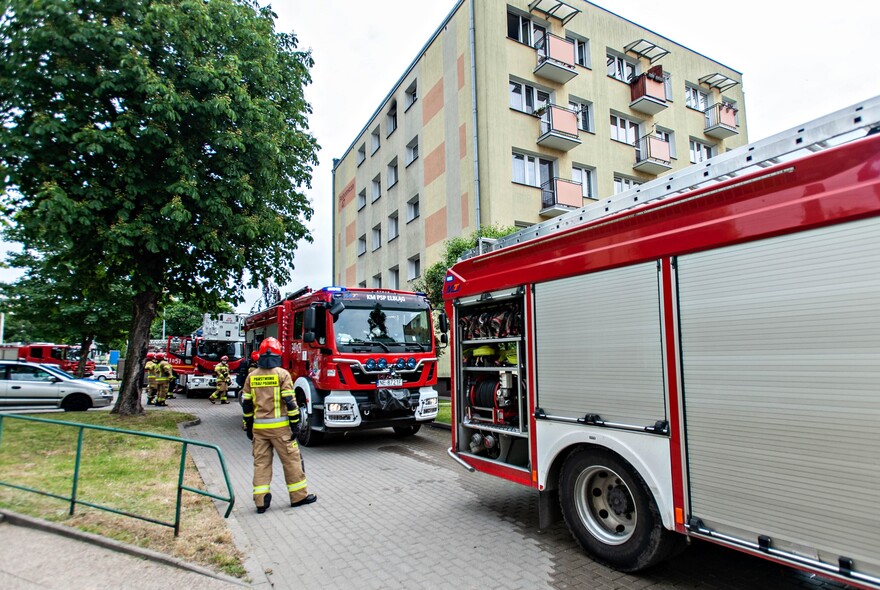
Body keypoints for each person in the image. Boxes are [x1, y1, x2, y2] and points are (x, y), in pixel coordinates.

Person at [242, 337, 316, 513]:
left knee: (261, 464)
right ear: (278, 353)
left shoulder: (251, 377)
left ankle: (260, 502)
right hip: (281, 430)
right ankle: (298, 497)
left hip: (259, 430)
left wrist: (248, 425)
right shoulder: (282, 374)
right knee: (291, 461)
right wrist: (296, 424)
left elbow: (246, 404)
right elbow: (290, 402)